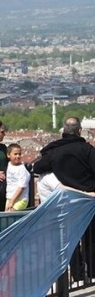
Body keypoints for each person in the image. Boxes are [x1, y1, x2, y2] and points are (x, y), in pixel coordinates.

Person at [33, 117, 95, 282]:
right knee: (90, 239)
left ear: (63, 131)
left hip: (66, 201)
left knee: (70, 240)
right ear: (79, 130)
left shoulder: (54, 151)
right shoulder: (87, 150)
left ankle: (78, 275)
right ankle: (93, 274)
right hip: (88, 201)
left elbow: (38, 168)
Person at [5, 143, 29, 211]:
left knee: (12, 215)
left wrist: (12, 202)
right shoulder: (8, 165)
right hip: (9, 197)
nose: (18, 156)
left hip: (21, 199)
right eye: (15, 154)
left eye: (19, 154)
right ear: (8, 155)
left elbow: (21, 187)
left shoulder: (22, 169)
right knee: (7, 217)